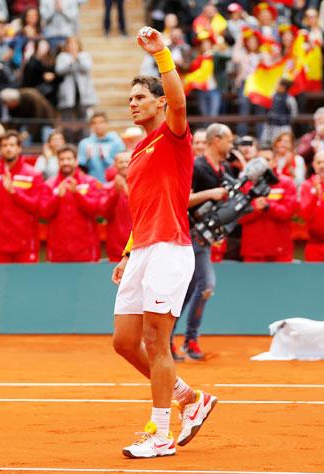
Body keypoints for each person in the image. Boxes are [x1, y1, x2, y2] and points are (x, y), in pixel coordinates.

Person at [111, 26, 216, 460]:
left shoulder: (173, 134)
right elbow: (144, 207)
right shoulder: (137, 153)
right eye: (130, 98)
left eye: (140, 98)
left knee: (158, 343)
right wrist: (128, 252)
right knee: (123, 341)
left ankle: (159, 433)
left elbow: (178, 100)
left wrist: (162, 55)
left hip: (172, 249)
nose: (133, 104)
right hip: (143, 251)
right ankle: (190, 397)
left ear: (157, 103)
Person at [172, 123, 232, 361]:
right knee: (205, 285)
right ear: (216, 140)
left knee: (186, 291)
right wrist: (210, 193)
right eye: (228, 140)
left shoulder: (222, 169)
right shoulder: (196, 166)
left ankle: (173, 339)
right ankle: (189, 339)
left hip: (203, 238)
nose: (231, 145)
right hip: (188, 235)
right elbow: (181, 200)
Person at [0, 130, 43, 263]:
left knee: (26, 283)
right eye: (5, 145)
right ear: (0, 149)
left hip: (25, 242)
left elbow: (36, 207)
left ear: (19, 148)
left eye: (12, 145)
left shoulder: (33, 174)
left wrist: (14, 192)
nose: (8, 149)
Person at [40, 145, 102, 262]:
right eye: (62, 159)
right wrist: (57, 196)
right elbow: (44, 213)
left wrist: (77, 193)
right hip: (58, 251)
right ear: (58, 162)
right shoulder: (49, 185)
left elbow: (95, 210)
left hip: (86, 250)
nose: (65, 162)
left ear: (76, 161)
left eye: (69, 159)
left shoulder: (90, 182)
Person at [239, 152, 298, 262]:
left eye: (267, 159)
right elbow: (238, 217)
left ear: (275, 161)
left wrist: (268, 206)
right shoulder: (245, 184)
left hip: (280, 250)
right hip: (253, 251)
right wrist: (255, 209)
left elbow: (288, 213)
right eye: (259, 160)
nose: (263, 164)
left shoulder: (286, 183)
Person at [100, 151, 132, 262]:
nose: (124, 164)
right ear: (115, 165)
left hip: (139, 245)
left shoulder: (142, 186)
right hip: (116, 248)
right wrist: (115, 193)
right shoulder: (107, 188)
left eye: (127, 161)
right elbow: (103, 213)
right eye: (120, 162)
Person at [77, 112, 125, 182]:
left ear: (107, 124)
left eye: (101, 122)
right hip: (92, 185)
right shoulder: (84, 143)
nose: (98, 125)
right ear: (90, 126)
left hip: (113, 184)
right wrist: (86, 159)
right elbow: (80, 168)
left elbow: (123, 165)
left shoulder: (116, 142)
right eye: (94, 123)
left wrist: (106, 157)